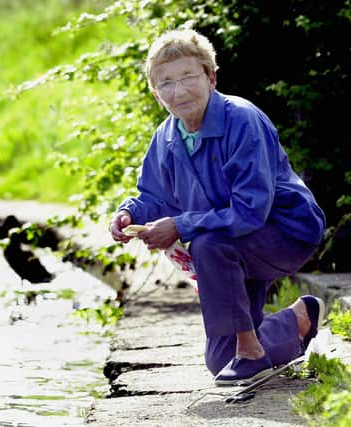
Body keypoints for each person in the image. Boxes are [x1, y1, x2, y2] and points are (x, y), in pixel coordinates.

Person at [109, 29, 326, 385]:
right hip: (233, 242)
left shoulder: (241, 119)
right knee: (220, 361)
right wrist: (129, 214)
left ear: (210, 77)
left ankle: (251, 351)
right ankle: (297, 320)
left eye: (188, 77)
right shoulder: (166, 136)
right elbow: (153, 195)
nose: (178, 91)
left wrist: (180, 226)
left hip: (285, 232)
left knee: (208, 243)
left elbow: (250, 211)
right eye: (166, 83)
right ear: (156, 93)